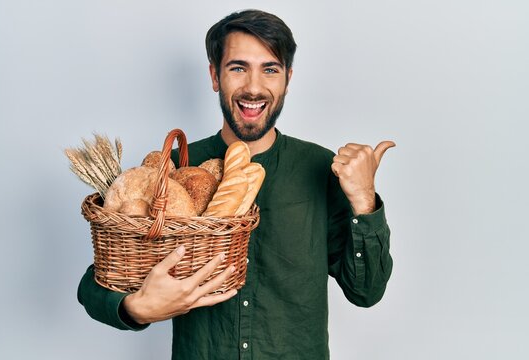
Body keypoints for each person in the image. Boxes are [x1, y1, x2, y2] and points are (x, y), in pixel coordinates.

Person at [78, 9, 394, 360]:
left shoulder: (321, 168)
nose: (254, 87)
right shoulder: (175, 170)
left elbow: (366, 291)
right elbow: (97, 283)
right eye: (238, 68)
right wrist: (135, 307)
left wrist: (364, 200)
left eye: (270, 69)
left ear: (288, 79)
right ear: (215, 76)